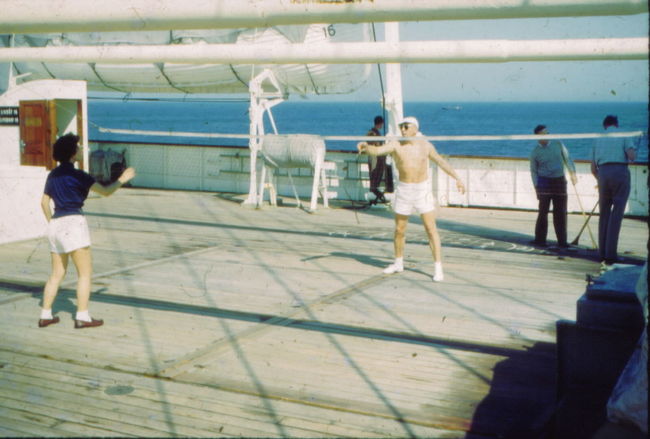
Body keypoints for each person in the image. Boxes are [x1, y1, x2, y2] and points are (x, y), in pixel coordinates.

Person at [38, 133, 136, 329]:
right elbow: (106, 192)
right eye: (79, 147)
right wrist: (123, 179)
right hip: (74, 223)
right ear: (73, 154)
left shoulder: (53, 175)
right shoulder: (78, 175)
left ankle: (46, 315)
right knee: (84, 274)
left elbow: (44, 203)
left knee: (56, 274)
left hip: (56, 224)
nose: (83, 149)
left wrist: (53, 224)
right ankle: (82, 317)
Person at [357, 116, 466, 282]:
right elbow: (378, 151)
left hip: (422, 190)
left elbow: (441, 162)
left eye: (406, 127)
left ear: (415, 128)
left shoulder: (425, 145)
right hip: (404, 190)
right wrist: (366, 147)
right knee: (400, 229)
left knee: (430, 229)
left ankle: (438, 267)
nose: (403, 130)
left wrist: (457, 178)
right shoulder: (396, 144)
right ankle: (398, 263)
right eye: (401, 127)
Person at [591, 115, 637, 266]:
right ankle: (611, 255)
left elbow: (592, 168)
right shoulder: (623, 135)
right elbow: (632, 157)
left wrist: (601, 177)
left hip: (603, 173)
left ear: (605, 126)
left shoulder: (597, 138)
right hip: (619, 172)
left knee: (603, 213)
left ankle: (602, 253)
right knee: (616, 214)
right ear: (616, 125)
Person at [529, 124, 578, 248]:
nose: (547, 135)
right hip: (544, 182)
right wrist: (536, 187)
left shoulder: (558, 144)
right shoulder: (535, 152)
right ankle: (540, 240)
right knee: (543, 211)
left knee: (560, 212)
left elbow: (567, 159)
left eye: (547, 133)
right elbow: (533, 172)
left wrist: (573, 173)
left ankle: (562, 241)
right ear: (537, 137)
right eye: (543, 134)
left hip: (559, 181)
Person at [365, 115, 394, 204]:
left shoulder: (374, 132)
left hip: (379, 158)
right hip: (374, 158)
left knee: (377, 176)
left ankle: (374, 193)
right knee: (374, 175)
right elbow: (372, 144)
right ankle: (372, 194)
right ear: (380, 123)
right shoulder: (372, 133)